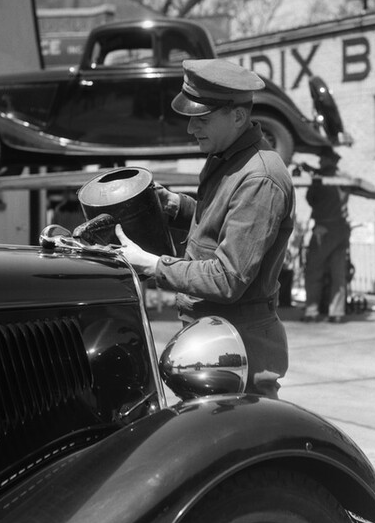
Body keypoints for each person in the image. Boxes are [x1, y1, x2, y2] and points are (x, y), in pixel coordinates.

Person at [115, 58, 296, 399]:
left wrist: (152, 264)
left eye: (202, 119)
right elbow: (224, 222)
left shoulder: (259, 177)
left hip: (239, 346)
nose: (190, 128)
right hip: (214, 334)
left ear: (238, 116)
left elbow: (229, 278)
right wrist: (177, 207)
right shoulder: (228, 158)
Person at [302, 150, 351, 323]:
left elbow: (311, 199)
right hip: (342, 228)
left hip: (323, 228)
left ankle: (312, 311)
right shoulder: (344, 178)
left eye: (322, 159)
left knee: (314, 270)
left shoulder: (319, 180)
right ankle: (336, 312)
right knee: (338, 272)